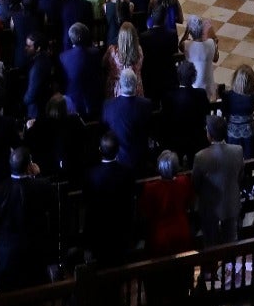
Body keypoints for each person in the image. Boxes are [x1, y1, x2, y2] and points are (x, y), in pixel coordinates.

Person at [0, 146, 57, 291]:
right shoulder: (43, 186)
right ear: (29, 166)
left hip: (7, 256)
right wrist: (37, 176)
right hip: (36, 254)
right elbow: (52, 214)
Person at [82, 132, 137, 265]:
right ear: (118, 150)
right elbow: (131, 203)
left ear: (100, 150)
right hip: (120, 232)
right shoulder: (127, 173)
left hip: (98, 232)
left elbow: (87, 206)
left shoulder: (91, 174)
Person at [192, 114, 244, 245]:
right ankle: (231, 263)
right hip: (231, 202)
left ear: (210, 135)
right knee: (231, 241)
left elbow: (195, 184)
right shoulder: (237, 151)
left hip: (210, 206)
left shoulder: (200, 156)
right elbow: (240, 175)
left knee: (210, 243)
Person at [139, 149, 194, 256]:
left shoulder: (150, 188)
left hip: (160, 234)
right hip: (181, 230)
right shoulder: (184, 181)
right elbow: (189, 202)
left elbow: (145, 211)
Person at [101, 67, 154, 170]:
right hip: (141, 160)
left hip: (118, 160)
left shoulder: (108, 105)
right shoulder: (146, 105)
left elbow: (104, 128)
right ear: (136, 85)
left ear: (120, 85)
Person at [161, 57, 209, 164]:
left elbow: (166, 119)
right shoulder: (201, 94)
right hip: (196, 138)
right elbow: (206, 114)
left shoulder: (169, 97)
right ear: (194, 77)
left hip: (176, 138)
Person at [58, 23, 103, 121]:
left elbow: (62, 81)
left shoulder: (63, 57)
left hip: (72, 102)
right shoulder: (96, 53)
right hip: (93, 100)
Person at [222, 64, 254, 157]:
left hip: (232, 136)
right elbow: (253, 108)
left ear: (235, 79)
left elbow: (224, 112)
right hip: (250, 136)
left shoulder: (227, 96)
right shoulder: (253, 97)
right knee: (249, 159)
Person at [181, 15, 218, 100]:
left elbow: (180, 45)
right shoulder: (211, 43)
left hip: (194, 87)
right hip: (209, 87)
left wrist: (187, 31)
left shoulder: (187, 44)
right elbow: (216, 58)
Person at [104, 21, 144, 98]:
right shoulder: (139, 51)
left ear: (120, 36)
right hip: (136, 87)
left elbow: (104, 64)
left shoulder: (112, 52)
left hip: (117, 90)